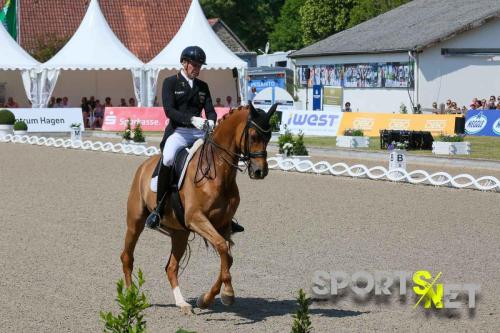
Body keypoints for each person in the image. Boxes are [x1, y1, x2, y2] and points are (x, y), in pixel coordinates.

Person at [146, 46, 243, 233]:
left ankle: (227, 216)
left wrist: (212, 121)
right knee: (167, 158)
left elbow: (211, 110)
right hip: (179, 132)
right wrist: (191, 119)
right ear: (184, 63)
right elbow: (170, 111)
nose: (197, 69)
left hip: (199, 133)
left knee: (219, 160)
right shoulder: (170, 83)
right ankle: (158, 210)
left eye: (199, 66)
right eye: (194, 65)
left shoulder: (202, 87)